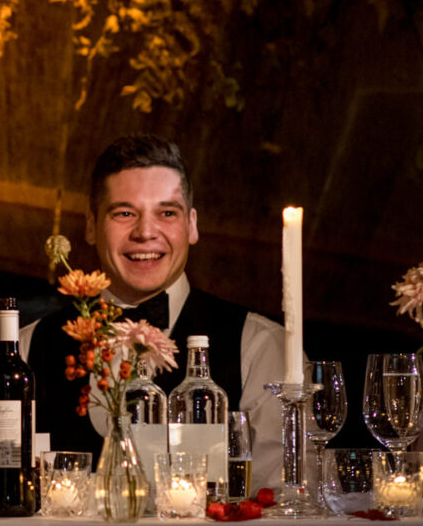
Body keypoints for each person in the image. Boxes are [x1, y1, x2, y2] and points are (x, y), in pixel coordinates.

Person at [22, 134, 287, 490]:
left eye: (166, 213)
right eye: (125, 213)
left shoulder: (259, 347)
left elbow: (281, 504)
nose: (146, 232)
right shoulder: (26, 348)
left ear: (191, 225)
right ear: (90, 225)